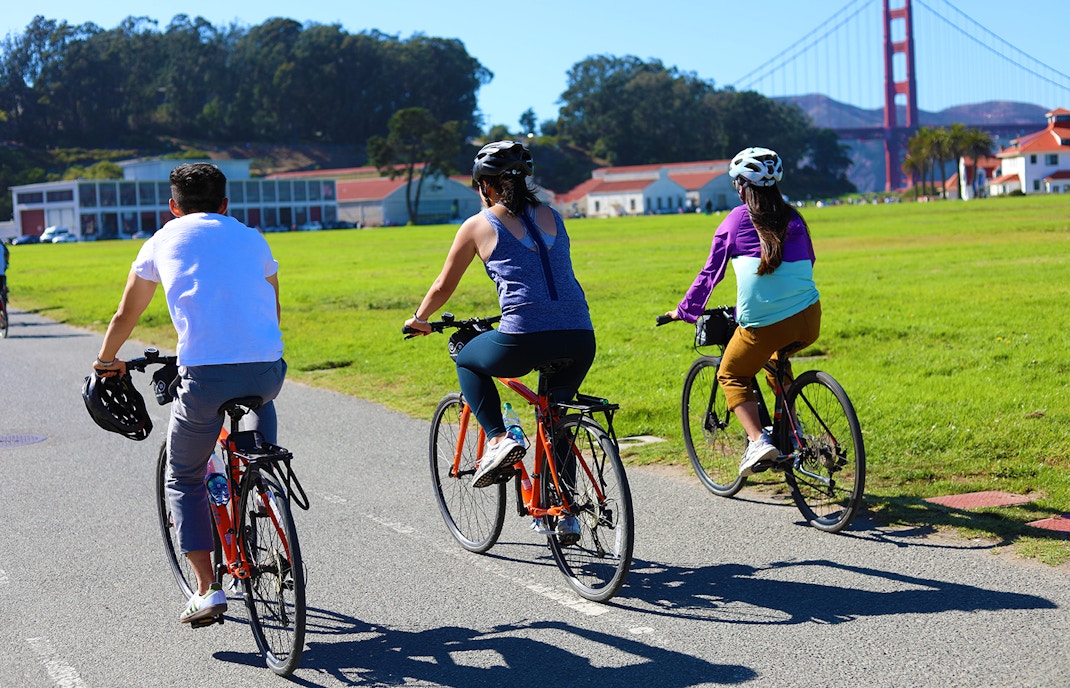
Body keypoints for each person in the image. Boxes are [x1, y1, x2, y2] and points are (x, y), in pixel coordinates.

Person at [91, 163, 286, 623]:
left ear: (172, 208)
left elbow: (125, 315)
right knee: (260, 410)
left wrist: (105, 361)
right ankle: (265, 479)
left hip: (204, 376)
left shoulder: (162, 240)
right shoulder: (252, 237)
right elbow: (272, 306)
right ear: (224, 205)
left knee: (183, 475)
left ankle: (206, 590)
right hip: (266, 370)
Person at [404, 140, 595, 488]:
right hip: (581, 335)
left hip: (524, 337)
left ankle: (496, 439)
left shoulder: (479, 224)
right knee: (555, 418)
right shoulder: (552, 214)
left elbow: (443, 287)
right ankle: (563, 512)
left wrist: (418, 319)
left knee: (467, 359)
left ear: (486, 186)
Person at [665, 147, 821, 477]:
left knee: (731, 373)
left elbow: (711, 273)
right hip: (809, 318)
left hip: (765, 324)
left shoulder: (736, 220)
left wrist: (685, 311)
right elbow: (809, 263)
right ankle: (795, 431)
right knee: (776, 361)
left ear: (742, 186)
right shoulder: (795, 217)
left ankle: (758, 441)